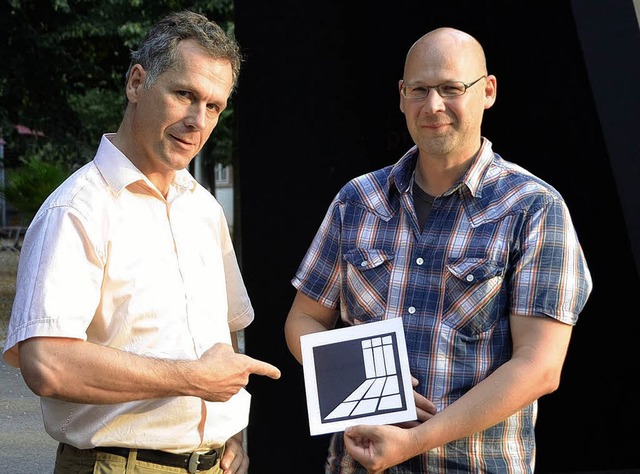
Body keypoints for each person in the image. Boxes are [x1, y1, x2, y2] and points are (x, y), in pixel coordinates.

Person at [284, 26, 592, 473]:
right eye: (420, 90)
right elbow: (303, 318)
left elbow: (540, 366)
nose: (433, 106)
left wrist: (417, 440)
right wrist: (366, 382)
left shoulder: (533, 208)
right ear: (401, 95)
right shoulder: (358, 200)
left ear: (487, 91)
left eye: (451, 89)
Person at [2, 10, 281, 474]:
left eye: (214, 106)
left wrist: (228, 433)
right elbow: (46, 363)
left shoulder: (202, 207)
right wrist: (191, 380)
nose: (198, 121)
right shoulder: (77, 208)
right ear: (136, 83)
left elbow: (222, 338)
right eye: (185, 95)